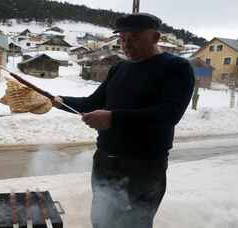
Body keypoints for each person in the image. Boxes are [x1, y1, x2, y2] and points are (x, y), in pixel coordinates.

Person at [52, 12, 195, 228]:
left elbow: (170, 114)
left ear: (155, 37)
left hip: (144, 166)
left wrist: (113, 118)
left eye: (134, 38)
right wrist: (58, 101)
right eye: (122, 39)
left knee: (133, 223)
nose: (126, 45)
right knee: (101, 221)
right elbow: (94, 102)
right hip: (105, 161)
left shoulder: (176, 67)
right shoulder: (119, 68)